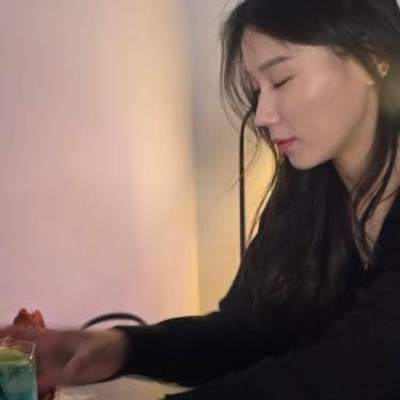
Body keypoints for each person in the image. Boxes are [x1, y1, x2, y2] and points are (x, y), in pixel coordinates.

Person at [2, 0, 400, 398]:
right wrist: (121, 348)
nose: (262, 115)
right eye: (256, 89)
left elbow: (343, 375)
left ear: (374, 56)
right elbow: (245, 334)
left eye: (280, 80)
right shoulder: (306, 196)